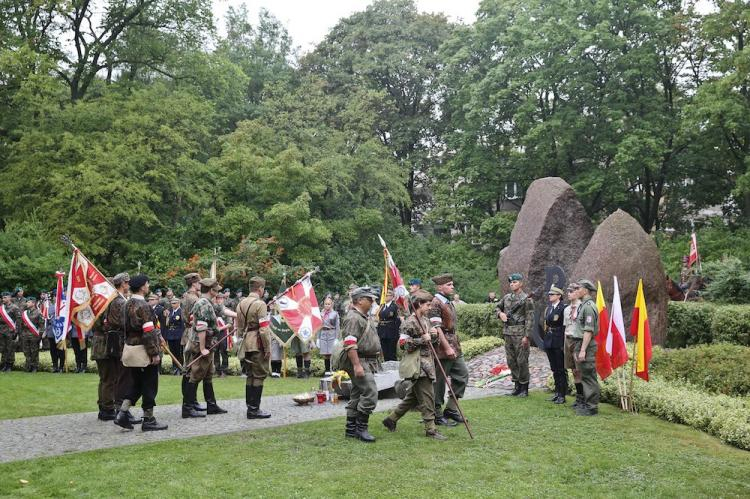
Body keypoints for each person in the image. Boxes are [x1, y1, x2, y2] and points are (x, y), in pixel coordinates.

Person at [382, 291, 446, 440]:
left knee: (413, 398)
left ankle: (391, 419)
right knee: (428, 397)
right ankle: (430, 429)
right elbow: (403, 346)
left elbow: (431, 341)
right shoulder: (409, 322)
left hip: (427, 363)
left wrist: (434, 335)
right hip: (418, 366)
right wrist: (421, 340)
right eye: (427, 305)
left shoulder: (425, 320)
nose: (430, 307)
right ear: (418, 304)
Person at [114, 274, 167, 431]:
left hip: (130, 348)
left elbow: (123, 328)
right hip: (143, 349)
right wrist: (154, 352)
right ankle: (148, 419)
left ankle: (122, 413)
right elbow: (148, 331)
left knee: (136, 383)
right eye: (147, 284)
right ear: (143, 287)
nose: (148, 286)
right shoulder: (144, 306)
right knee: (150, 384)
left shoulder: (126, 304)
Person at [341, 286, 381, 442]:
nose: (372, 302)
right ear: (358, 300)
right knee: (371, 393)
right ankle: (360, 429)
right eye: (369, 299)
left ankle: (351, 429)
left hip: (365, 360)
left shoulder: (361, 316)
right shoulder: (353, 318)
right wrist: (357, 365)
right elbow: (350, 343)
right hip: (359, 360)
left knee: (358, 393)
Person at [183, 277, 227, 418]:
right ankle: (188, 408)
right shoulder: (203, 304)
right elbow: (201, 328)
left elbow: (222, 311)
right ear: (211, 290)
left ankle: (211, 405)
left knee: (208, 375)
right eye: (216, 289)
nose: (218, 292)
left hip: (209, 345)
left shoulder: (207, 302)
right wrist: (202, 348)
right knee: (195, 375)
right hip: (202, 345)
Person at [428, 273, 469, 426]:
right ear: (439, 287)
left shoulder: (448, 302)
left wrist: (453, 347)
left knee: (462, 375)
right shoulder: (435, 303)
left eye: (452, 284)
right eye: (448, 285)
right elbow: (436, 328)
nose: (452, 287)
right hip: (442, 347)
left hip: (454, 345)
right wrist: (446, 348)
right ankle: (437, 414)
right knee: (439, 382)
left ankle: (451, 409)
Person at [91, 273, 129, 421]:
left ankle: (103, 406)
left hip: (99, 342)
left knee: (105, 378)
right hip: (105, 343)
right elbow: (104, 324)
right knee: (109, 378)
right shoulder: (105, 303)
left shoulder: (98, 302)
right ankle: (107, 408)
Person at [236, 276, 272, 419]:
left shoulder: (240, 304)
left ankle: (250, 406)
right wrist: (267, 348)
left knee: (250, 375)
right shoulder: (260, 304)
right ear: (260, 289)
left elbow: (239, 328)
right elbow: (263, 329)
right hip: (257, 343)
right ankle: (254, 409)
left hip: (246, 343)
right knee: (259, 375)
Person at [496, 273, 534, 397]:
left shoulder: (527, 299)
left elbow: (529, 318)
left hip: (520, 333)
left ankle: (524, 387)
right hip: (508, 333)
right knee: (511, 360)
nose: (512, 284)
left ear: (521, 283)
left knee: (522, 360)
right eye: (511, 283)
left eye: (515, 282)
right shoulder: (507, 297)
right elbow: (497, 307)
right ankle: (516, 385)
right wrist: (500, 314)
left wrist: (526, 336)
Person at [180, 272, 206, 414]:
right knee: (192, 371)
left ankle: (191, 401)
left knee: (188, 370)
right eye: (199, 283)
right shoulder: (194, 299)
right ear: (194, 283)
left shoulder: (185, 296)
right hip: (193, 334)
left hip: (187, 334)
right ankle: (188, 404)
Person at [574, 279, 600, 416]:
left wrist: (583, 350)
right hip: (581, 344)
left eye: (579, 288)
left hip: (587, 346)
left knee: (589, 376)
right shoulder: (584, 305)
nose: (577, 290)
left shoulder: (589, 306)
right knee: (585, 375)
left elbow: (588, 331)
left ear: (585, 290)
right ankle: (588, 404)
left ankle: (592, 407)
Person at [543, 286, 567, 404]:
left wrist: (564, 342)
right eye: (549, 294)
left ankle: (562, 394)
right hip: (549, 340)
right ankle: (557, 393)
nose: (550, 296)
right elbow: (547, 324)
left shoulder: (563, 308)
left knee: (561, 368)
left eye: (552, 294)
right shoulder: (549, 308)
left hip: (558, 340)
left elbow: (564, 326)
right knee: (554, 368)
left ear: (559, 296)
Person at [563, 283, 583, 406]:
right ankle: (579, 397)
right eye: (568, 291)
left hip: (578, 340)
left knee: (580, 370)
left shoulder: (582, 307)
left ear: (577, 292)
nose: (569, 294)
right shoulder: (566, 309)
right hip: (568, 340)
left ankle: (584, 397)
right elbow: (566, 327)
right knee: (573, 370)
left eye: (571, 291)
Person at [19, 297, 43, 372]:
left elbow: (42, 325)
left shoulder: (38, 312)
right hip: (25, 335)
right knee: (26, 351)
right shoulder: (24, 313)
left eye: (29, 302)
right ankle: (28, 366)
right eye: (27, 302)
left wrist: (40, 336)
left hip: (34, 335)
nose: (27, 304)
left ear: (33, 303)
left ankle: (34, 367)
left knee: (34, 351)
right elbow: (20, 324)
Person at [317, 296, 340, 375]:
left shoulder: (335, 314)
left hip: (331, 334)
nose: (327, 305)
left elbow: (337, 327)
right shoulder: (321, 313)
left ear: (332, 304)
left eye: (329, 304)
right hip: (323, 334)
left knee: (331, 353)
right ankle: (327, 370)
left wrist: (336, 338)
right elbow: (319, 326)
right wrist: (318, 338)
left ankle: (332, 369)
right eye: (326, 304)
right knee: (325, 354)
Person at [377, 289, 401, 362]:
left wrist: (396, 332)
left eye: (387, 295)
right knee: (385, 350)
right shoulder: (382, 306)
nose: (386, 297)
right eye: (385, 295)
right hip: (382, 331)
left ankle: (393, 367)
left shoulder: (394, 306)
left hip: (391, 331)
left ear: (392, 297)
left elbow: (397, 320)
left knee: (391, 351)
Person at [163, 297, 184, 375]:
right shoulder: (170, 311)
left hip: (178, 334)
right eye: (172, 303)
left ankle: (180, 368)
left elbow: (182, 325)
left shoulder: (181, 311)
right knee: (172, 352)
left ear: (178, 303)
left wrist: (182, 335)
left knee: (178, 352)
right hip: (170, 334)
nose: (173, 305)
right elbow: (167, 324)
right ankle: (174, 367)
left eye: (174, 303)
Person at [1, 292, 21, 372]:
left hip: (10, 330)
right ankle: (4, 364)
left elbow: (18, 320)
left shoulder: (14, 307)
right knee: (3, 348)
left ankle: (9, 365)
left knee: (10, 348)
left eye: (5, 297)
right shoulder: (1, 307)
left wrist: (16, 331)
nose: (3, 299)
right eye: (2, 298)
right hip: (2, 330)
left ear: (9, 298)